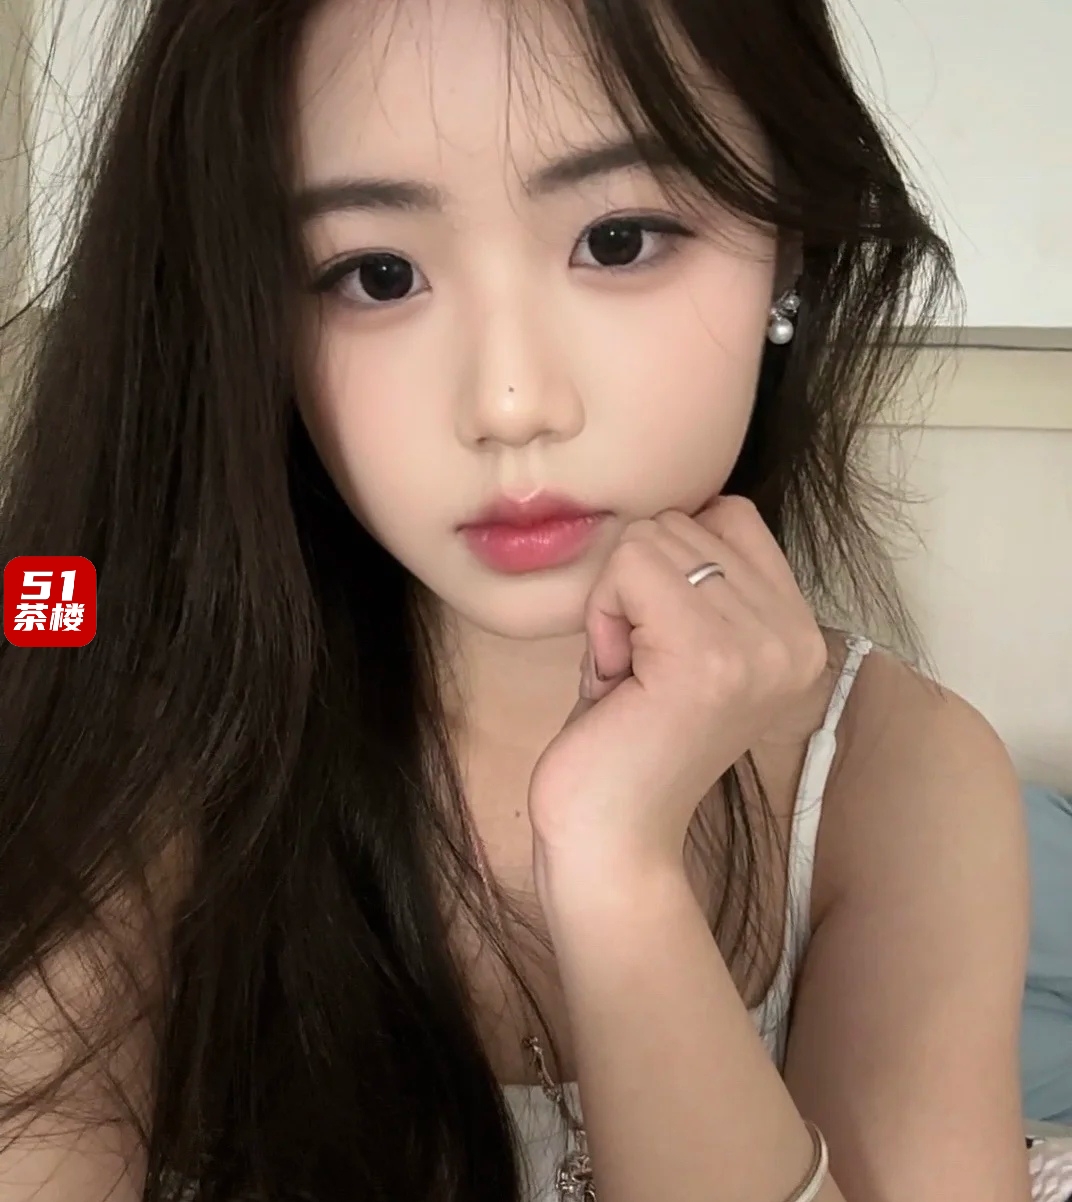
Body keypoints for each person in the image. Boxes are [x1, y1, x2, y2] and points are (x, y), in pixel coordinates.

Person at [0, 0, 1032, 1199]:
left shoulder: (900, 780)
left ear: (788, 251)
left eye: (618, 240)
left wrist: (617, 874)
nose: (508, 400)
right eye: (376, 273)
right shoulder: (124, 735)